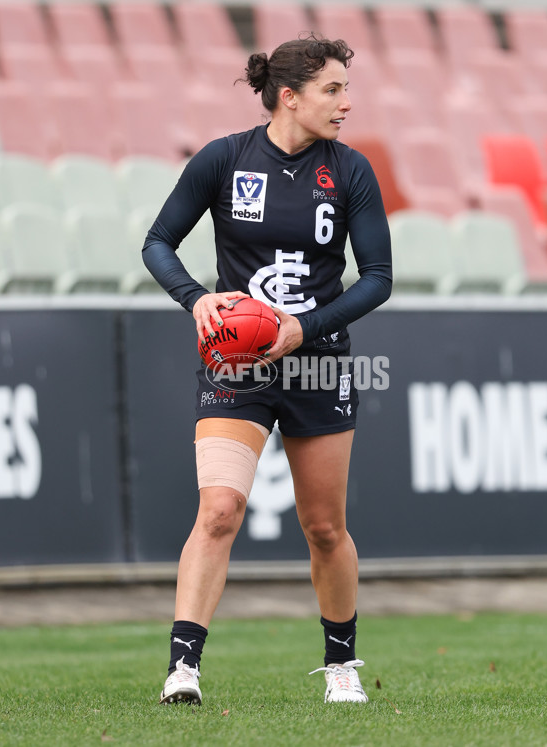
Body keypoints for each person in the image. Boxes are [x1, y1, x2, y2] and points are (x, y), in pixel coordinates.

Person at [142, 33, 392, 706]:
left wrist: (302, 328)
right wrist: (197, 300)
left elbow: (377, 279)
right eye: (333, 90)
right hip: (237, 364)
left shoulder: (351, 171)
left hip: (318, 364)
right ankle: (182, 668)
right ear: (290, 96)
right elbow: (158, 242)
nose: (346, 103)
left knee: (323, 527)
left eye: (346, 88)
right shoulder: (223, 160)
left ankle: (341, 664)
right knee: (219, 509)